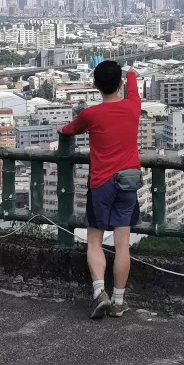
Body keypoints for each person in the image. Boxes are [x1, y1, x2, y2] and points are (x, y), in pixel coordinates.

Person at [60, 60, 142, 319]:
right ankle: (119, 301)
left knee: (94, 239)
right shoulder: (132, 108)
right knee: (122, 244)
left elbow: (68, 130)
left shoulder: (91, 115)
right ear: (119, 84)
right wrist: (130, 73)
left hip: (101, 184)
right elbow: (134, 90)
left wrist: (61, 130)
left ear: (95, 85)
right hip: (128, 181)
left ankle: (99, 293)